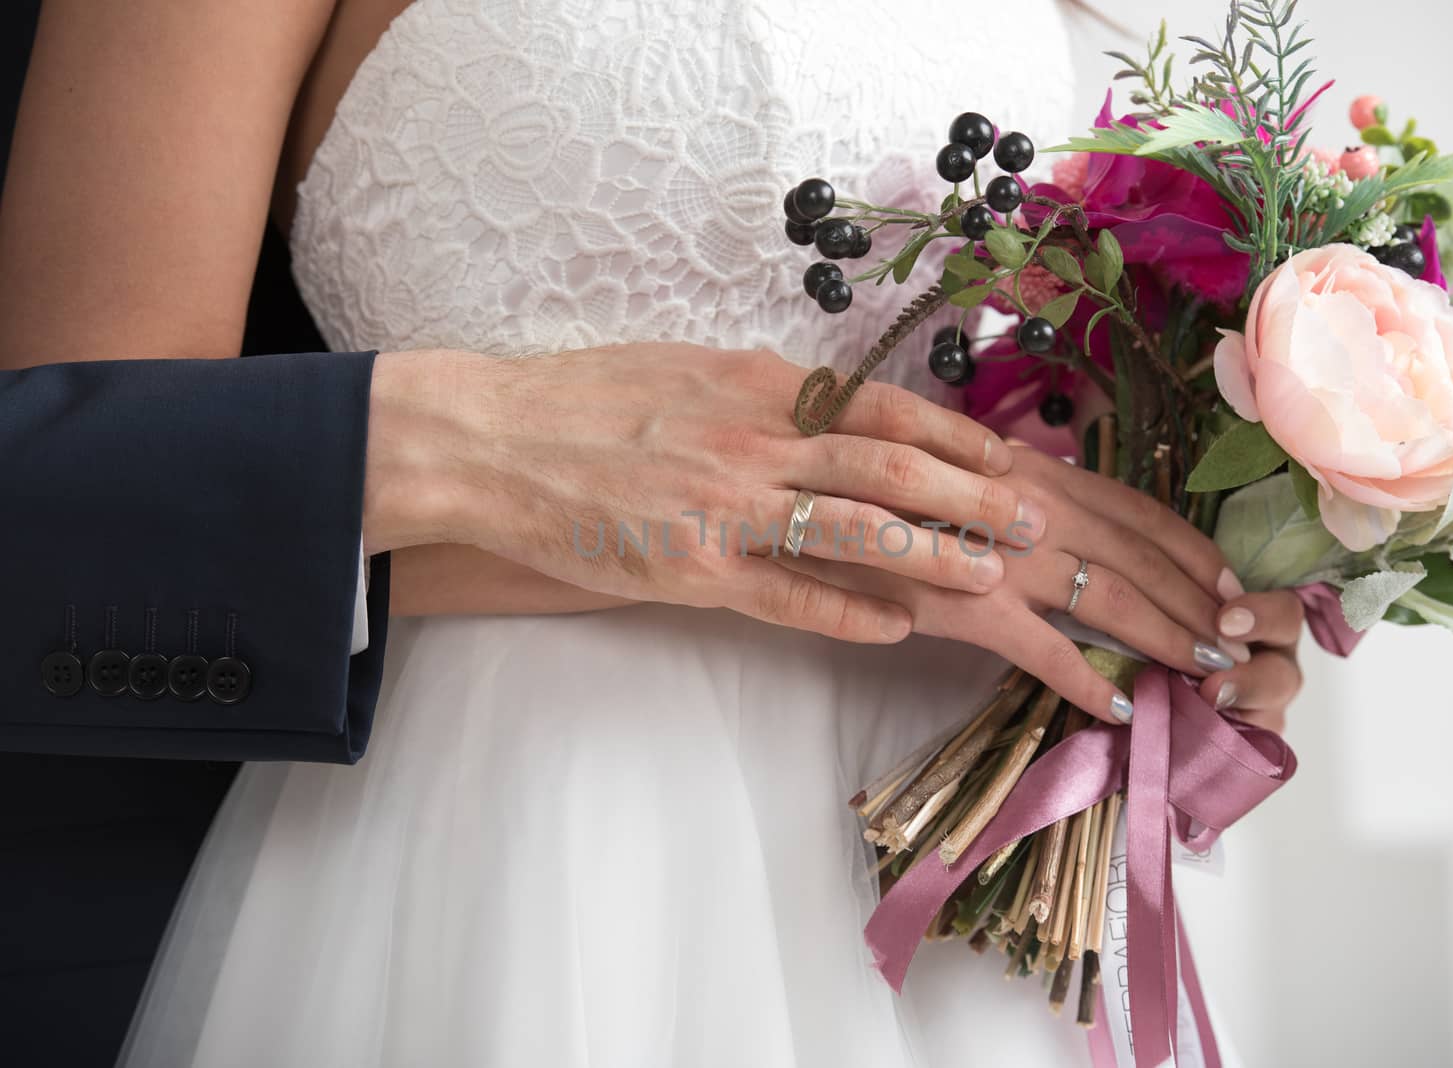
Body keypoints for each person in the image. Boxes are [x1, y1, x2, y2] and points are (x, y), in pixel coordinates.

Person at [0, 1, 1306, 1064]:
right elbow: (68, 494)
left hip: (963, 850)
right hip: (518, 829)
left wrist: (1193, 536)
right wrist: (504, 446)